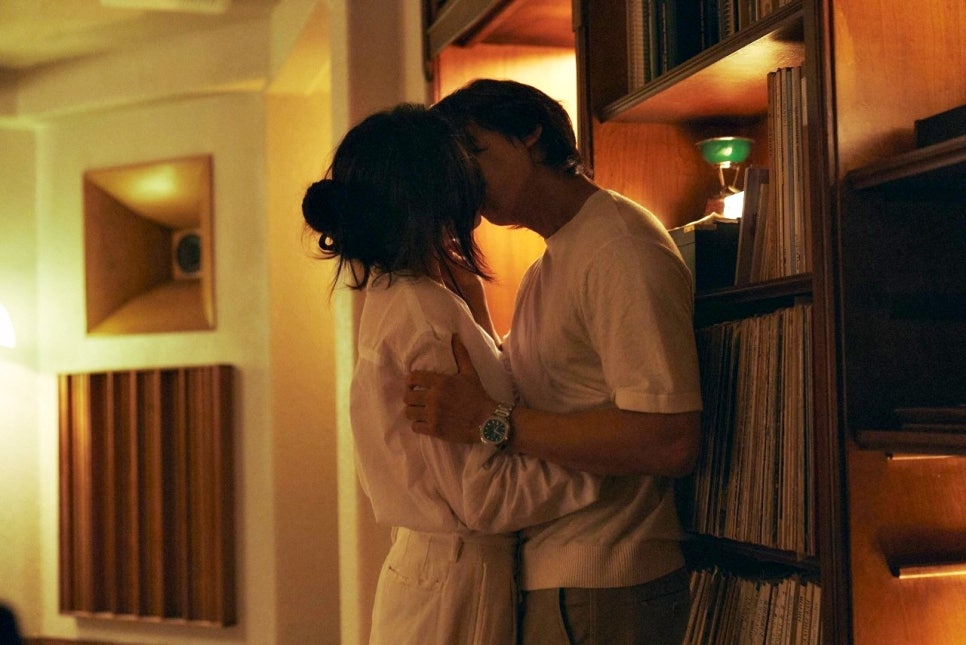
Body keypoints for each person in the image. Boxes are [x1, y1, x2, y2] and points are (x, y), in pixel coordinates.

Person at [403, 79, 703, 644]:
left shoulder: (619, 247)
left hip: (605, 577)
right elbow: (549, 392)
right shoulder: (552, 263)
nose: (465, 181)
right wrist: (471, 307)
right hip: (564, 578)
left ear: (529, 135)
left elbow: (669, 439)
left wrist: (489, 421)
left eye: (473, 153)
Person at [301, 103, 605, 645]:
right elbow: (483, 497)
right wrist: (608, 462)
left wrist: (477, 313)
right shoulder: (424, 315)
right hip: (458, 588)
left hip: (433, 577)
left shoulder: (399, 299)